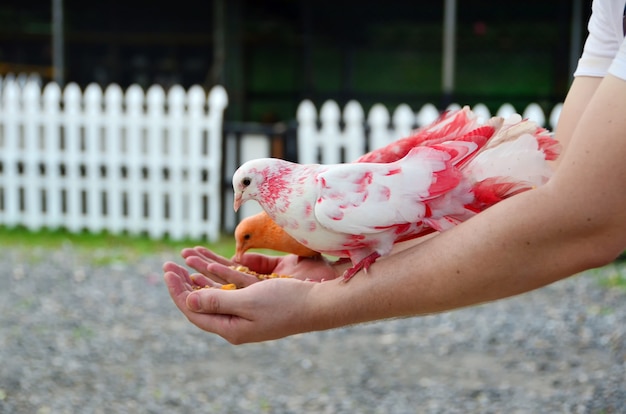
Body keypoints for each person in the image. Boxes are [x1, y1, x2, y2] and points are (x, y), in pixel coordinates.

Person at [163, 0, 626, 344]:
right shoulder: (610, 11)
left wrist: (319, 306)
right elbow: (555, 185)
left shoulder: (319, 199)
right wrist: (342, 270)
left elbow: (584, 219)